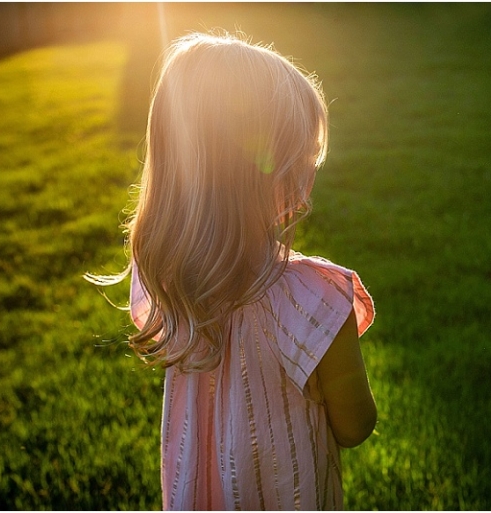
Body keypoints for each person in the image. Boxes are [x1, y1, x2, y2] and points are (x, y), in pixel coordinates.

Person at [89, 31, 376, 510]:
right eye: (300, 158)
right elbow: (355, 425)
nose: (308, 175)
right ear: (265, 173)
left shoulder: (166, 280)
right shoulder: (313, 297)